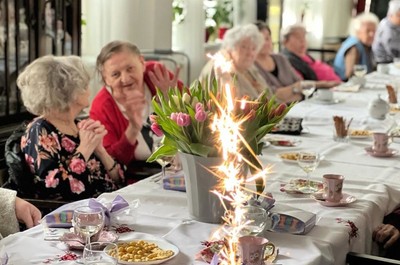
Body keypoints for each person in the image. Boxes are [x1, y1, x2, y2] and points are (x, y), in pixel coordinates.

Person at [18, 55, 125, 201]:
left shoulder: (79, 125)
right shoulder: (40, 130)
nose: (89, 90)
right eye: (84, 85)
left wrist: (100, 151)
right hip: (72, 218)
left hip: (108, 207)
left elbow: (120, 181)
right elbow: (53, 187)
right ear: (69, 92)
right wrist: (85, 149)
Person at [90, 41, 183, 178]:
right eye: (115, 74)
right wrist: (133, 129)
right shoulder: (102, 107)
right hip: (138, 180)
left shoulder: (156, 75)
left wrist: (171, 104)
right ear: (106, 79)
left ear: (141, 62)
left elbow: (197, 125)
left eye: (130, 68)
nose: (125, 78)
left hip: (181, 170)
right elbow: (111, 165)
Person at [199, 23, 272, 99]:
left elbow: (269, 94)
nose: (250, 53)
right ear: (230, 47)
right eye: (244, 47)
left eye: (253, 48)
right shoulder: (220, 67)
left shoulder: (249, 68)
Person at [254, 21, 303, 103]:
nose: (266, 43)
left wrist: (286, 93)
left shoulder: (281, 59)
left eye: (267, 38)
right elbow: (270, 95)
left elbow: (300, 83)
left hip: (298, 106)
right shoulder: (252, 66)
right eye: (260, 39)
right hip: (275, 112)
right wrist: (295, 89)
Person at [334, 12, 379, 81]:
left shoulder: (366, 45)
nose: (371, 34)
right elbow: (350, 76)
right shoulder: (354, 48)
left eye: (374, 31)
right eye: (368, 31)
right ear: (357, 32)